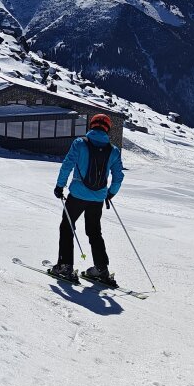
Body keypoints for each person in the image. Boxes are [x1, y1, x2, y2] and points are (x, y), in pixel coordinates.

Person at [49, 113, 124, 284]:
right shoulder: (113, 151)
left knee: (67, 227)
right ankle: (101, 269)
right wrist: (110, 193)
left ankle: (65, 265)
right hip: (98, 198)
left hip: (76, 195)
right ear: (108, 129)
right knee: (94, 232)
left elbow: (67, 164)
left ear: (91, 125)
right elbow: (118, 176)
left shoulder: (80, 143)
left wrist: (60, 186)